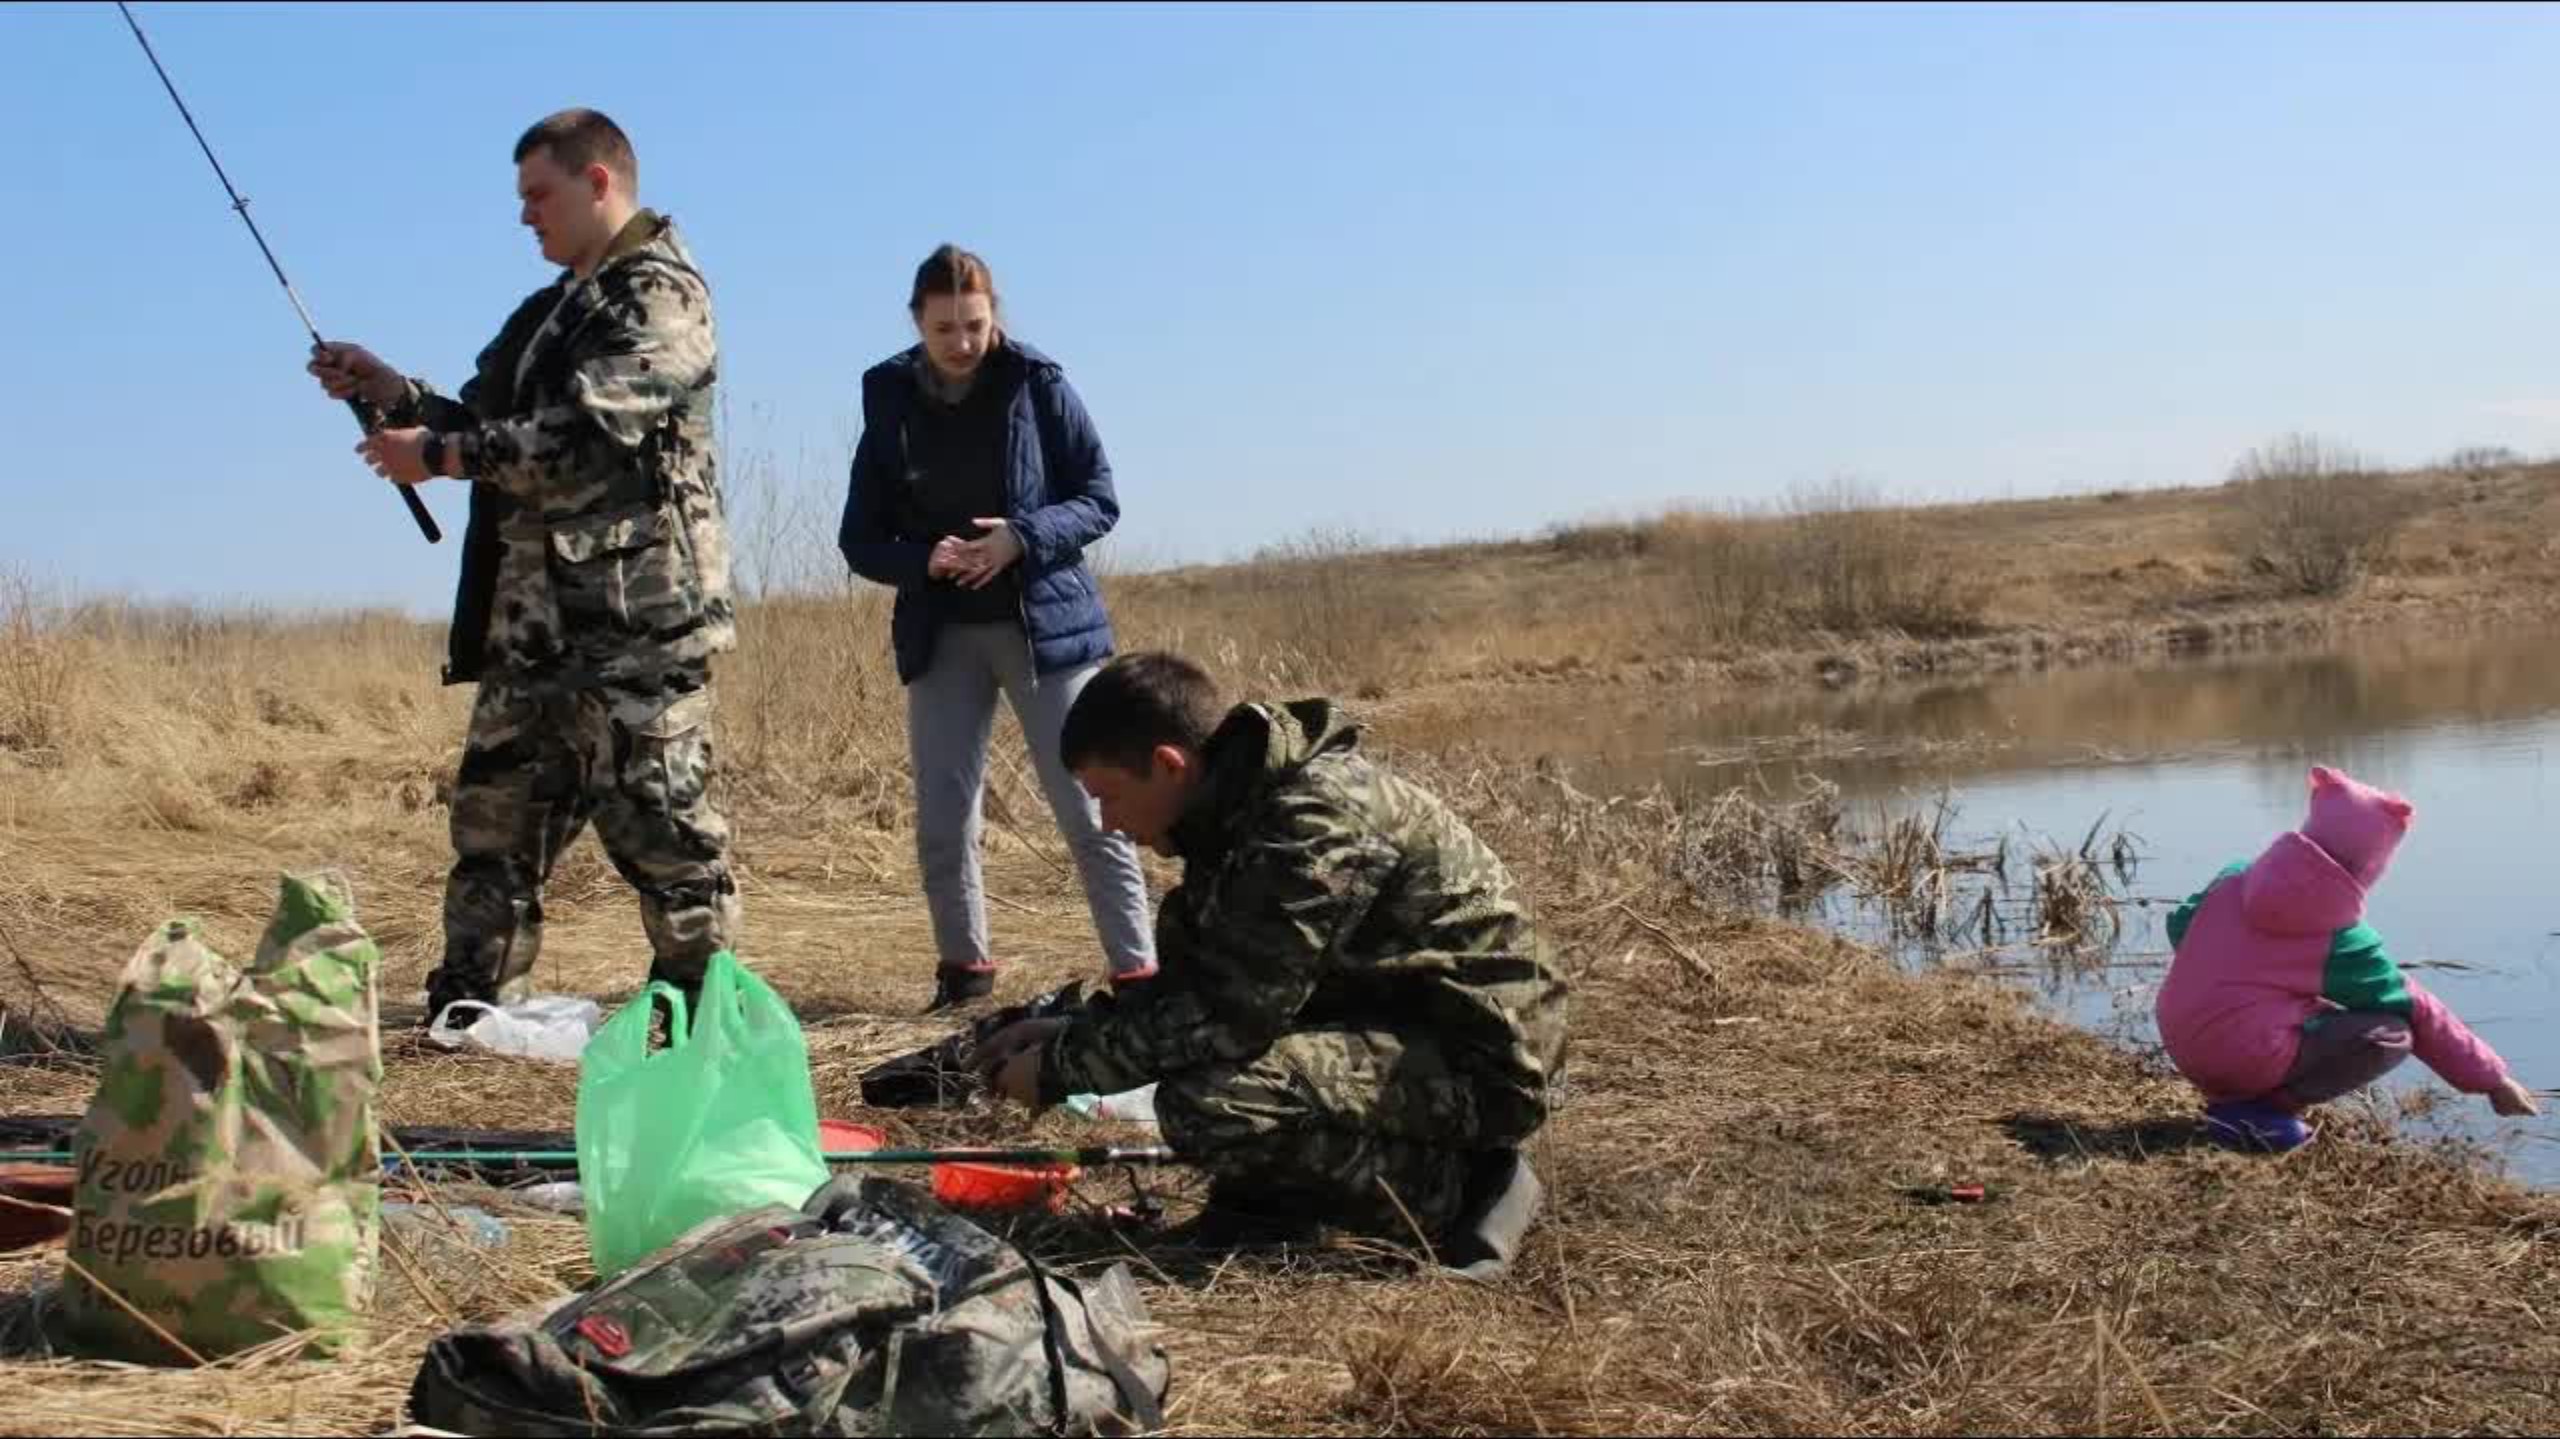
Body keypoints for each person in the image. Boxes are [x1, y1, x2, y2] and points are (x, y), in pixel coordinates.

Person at [307, 108, 740, 1023]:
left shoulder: (660, 295)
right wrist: (395, 394)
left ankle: (703, 1027)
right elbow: (487, 418)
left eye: (537, 195)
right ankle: (472, 1015)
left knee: (665, 835)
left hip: (636, 630)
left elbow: (588, 435)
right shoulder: (553, 310)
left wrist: (442, 458)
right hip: (534, 626)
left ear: (598, 183)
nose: (524, 217)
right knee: (493, 829)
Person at [976, 652, 1569, 1278]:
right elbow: (1208, 982)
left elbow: (1229, 1017)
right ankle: (1266, 1208)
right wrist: (1076, 1031)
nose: (1109, 824)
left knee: (1208, 1103)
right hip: (1400, 1020)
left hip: (1485, 1058)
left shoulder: (1308, 822)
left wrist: (1062, 1070)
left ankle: (1462, 1191)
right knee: (1218, 1082)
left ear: (1168, 765)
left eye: (1111, 797)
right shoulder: (1234, 811)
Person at [838, 245, 1155, 1011]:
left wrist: (1022, 537)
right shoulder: (886, 397)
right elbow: (860, 539)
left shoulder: (1038, 383)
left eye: (975, 325)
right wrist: (925, 559)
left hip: (1046, 628)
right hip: (943, 634)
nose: (962, 342)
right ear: (917, 323)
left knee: (1091, 806)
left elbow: (1100, 497)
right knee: (944, 818)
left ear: (996, 317)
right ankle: (966, 976)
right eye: (944, 328)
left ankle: (1139, 976)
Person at [2155, 765, 2539, 1152]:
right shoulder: (2337, 937)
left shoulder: (2235, 875)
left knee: (2304, 1008)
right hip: (2240, 1056)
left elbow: (2180, 929)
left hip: (2179, 1034)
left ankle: (2236, 1097)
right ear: (2370, 867)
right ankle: (2260, 1111)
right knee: (2393, 1035)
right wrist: (2492, 1080)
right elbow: (2415, 1008)